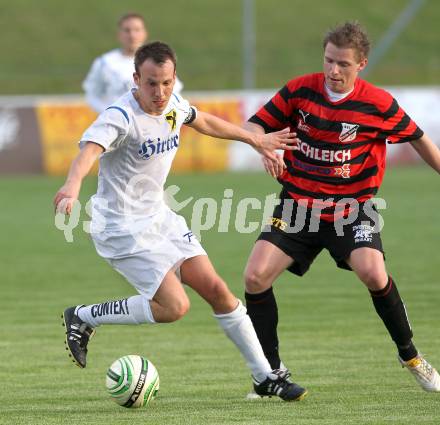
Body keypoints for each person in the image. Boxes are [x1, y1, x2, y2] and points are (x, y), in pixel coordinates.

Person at [54, 41, 307, 401]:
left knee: (219, 291)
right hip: (121, 229)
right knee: (175, 307)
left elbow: (201, 119)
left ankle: (265, 377)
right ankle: (84, 316)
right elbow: (90, 149)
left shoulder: (173, 105)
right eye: (152, 83)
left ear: (175, 79)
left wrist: (253, 139)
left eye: (167, 82)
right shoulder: (121, 116)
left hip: (160, 217)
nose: (160, 92)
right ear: (136, 79)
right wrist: (72, 184)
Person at [243, 21, 440, 396]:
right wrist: (263, 144)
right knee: (255, 277)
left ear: (361, 64)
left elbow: (418, 139)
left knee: (373, 272)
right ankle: (270, 373)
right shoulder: (300, 90)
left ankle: (410, 356)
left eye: (343, 64)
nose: (333, 71)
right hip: (298, 206)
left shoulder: (378, 103)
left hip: (352, 209)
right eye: (329, 61)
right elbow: (254, 125)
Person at [82, 13, 183, 113]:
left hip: (150, 123)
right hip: (117, 125)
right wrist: (110, 113)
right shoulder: (104, 63)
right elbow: (92, 95)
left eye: (137, 30)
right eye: (127, 30)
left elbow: (174, 90)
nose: (132, 35)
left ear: (145, 33)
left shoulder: (160, 60)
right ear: (119, 34)